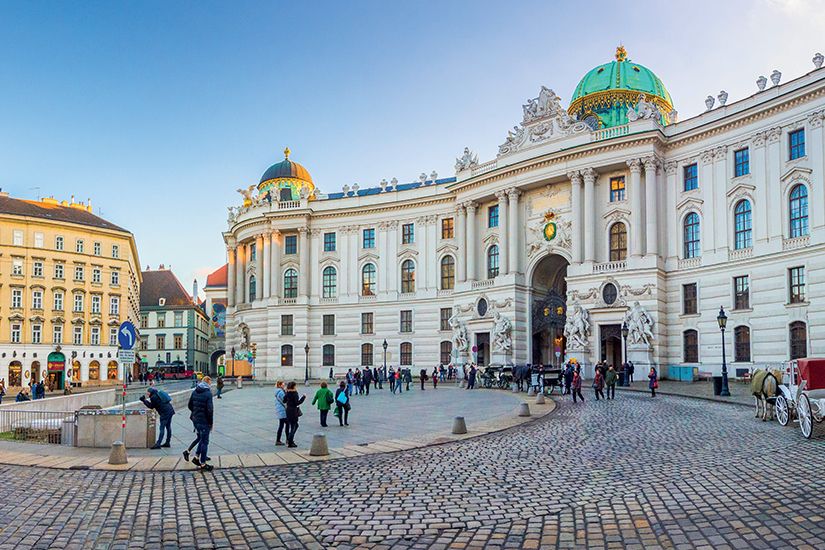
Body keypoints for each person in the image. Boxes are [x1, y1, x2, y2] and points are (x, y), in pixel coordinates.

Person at [187, 375, 214, 471]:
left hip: (195, 420)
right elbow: (210, 410)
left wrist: (196, 412)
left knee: (201, 439)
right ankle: (203, 463)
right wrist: (210, 423)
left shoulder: (195, 391)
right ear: (208, 383)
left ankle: (196, 457)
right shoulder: (208, 393)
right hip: (204, 421)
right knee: (205, 442)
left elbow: (189, 405)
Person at [283, 381, 305, 448]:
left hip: (288, 410)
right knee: (294, 426)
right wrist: (303, 397)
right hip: (293, 411)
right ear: (293, 386)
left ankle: (290, 439)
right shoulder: (295, 393)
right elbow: (297, 403)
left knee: (294, 425)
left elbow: (284, 400)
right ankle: (290, 441)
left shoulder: (287, 393)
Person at [274, 381, 287, 446]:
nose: (284, 386)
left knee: (281, 425)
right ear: (280, 385)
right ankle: (286, 439)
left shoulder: (277, 391)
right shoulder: (281, 392)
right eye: (283, 384)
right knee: (286, 424)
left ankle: (278, 440)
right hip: (283, 410)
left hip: (279, 410)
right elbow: (284, 400)